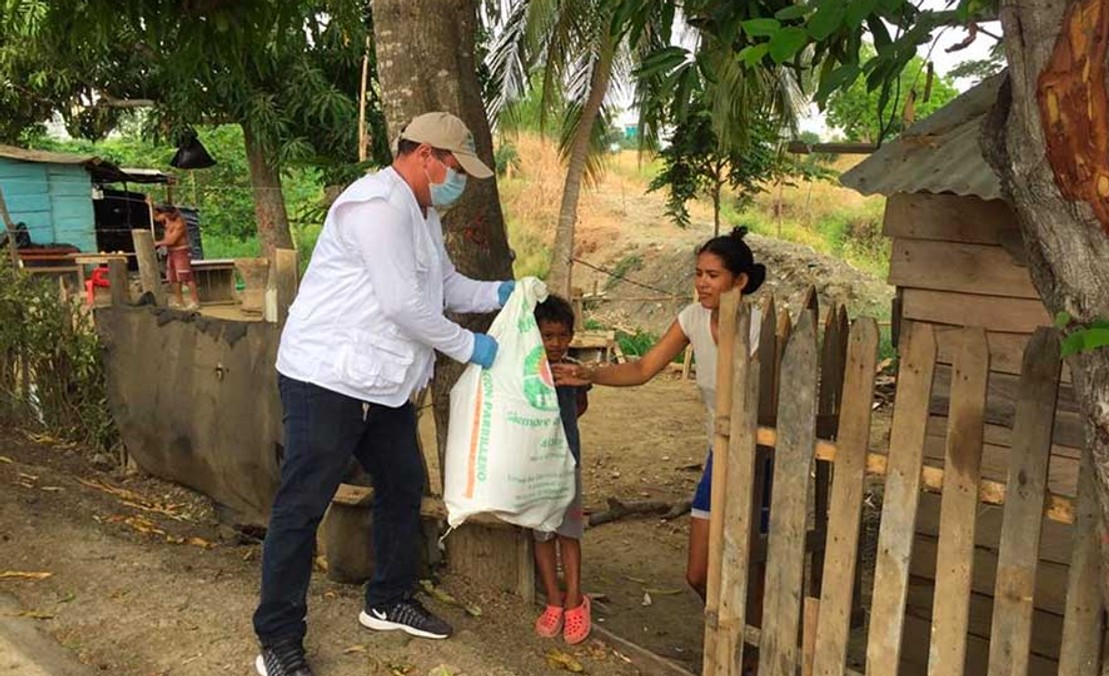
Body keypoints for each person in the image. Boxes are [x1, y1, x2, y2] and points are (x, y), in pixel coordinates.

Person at [252, 111, 516, 676]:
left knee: (402, 481)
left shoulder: (421, 212)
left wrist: (501, 291)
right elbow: (402, 304)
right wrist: (471, 347)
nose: (459, 181)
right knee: (303, 503)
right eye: (454, 168)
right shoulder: (376, 206)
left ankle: (388, 598)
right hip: (327, 377)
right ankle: (277, 638)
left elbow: (443, 285)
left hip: (383, 382)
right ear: (424, 155)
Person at [552, 226, 767, 597]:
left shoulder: (761, 328)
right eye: (698, 274)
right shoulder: (693, 318)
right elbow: (641, 368)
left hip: (763, 458)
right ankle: (730, 639)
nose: (701, 283)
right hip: (721, 453)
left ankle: (751, 652)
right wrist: (588, 374)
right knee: (699, 574)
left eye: (713, 276)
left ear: (741, 280)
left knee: (753, 568)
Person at [531, 294, 592, 645]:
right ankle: (553, 600)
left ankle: (573, 601)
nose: (555, 343)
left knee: (569, 532)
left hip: (567, 464)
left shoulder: (576, 372)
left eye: (562, 335)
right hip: (536, 468)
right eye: (547, 336)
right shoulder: (527, 372)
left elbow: (580, 406)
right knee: (542, 532)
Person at [152, 205, 199, 310]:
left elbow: (171, 241)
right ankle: (179, 301)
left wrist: (157, 243)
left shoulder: (179, 223)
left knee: (186, 277)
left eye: (167, 214)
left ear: (172, 213)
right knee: (173, 278)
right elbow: (156, 217)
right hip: (171, 252)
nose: (165, 216)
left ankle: (195, 301)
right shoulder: (167, 218)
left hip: (181, 251)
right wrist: (150, 205)